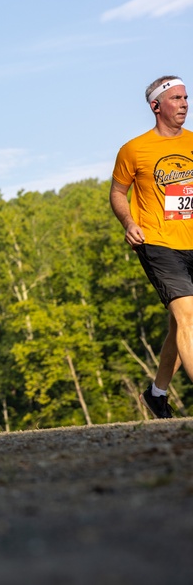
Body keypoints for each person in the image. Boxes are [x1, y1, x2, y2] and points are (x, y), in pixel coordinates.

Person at [110, 75, 193, 418]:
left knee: (179, 326)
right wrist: (130, 223)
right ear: (156, 106)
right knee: (188, 316)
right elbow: (117, 193)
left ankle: (156, 394)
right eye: (176, 98)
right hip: (157, 242)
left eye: (186, 97)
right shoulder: (134, 150)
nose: (185, 104)